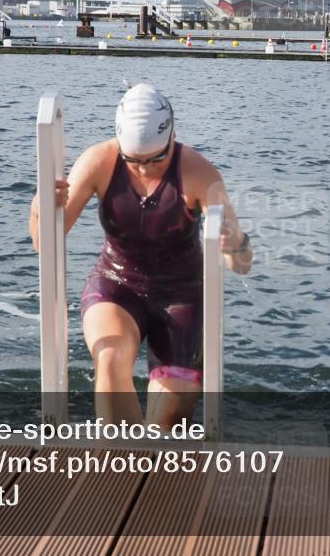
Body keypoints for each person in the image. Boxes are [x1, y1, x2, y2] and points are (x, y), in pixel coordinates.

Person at [28, 83, 252, 427]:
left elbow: (242, 263)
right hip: (116, 284)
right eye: (134, 161)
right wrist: (41, 205)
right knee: (110, 359)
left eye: (157, 159)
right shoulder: (99, 162)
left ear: (172, 136)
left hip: (182, 295)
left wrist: (233, 244)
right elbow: (45, 243)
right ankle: (120, 469)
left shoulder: (197, 171)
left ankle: (155, 470)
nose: (146, 169)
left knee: (168, 422)